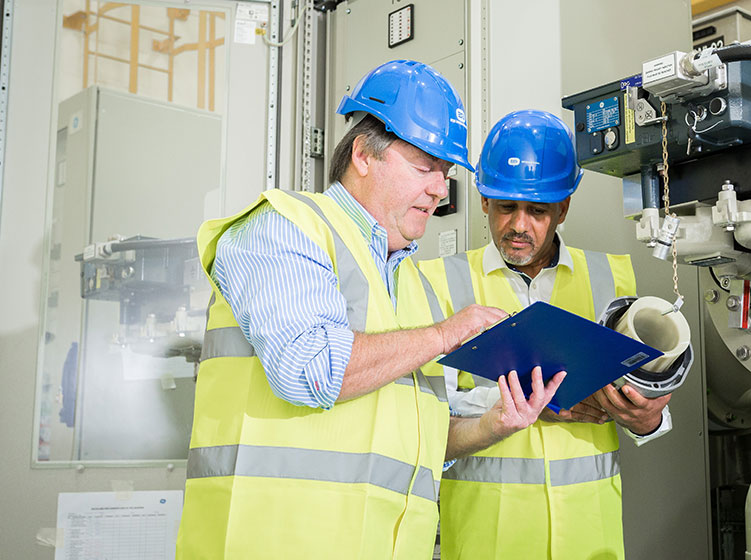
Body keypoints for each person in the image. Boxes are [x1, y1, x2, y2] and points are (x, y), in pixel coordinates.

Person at [175, 61, 563, 559]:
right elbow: (310, 370)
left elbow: (418, 442)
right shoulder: (283, 228)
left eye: (444, 174)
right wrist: (445, 335)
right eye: (425, 168)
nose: (441, 190)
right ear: (363, 154)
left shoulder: (414, 286)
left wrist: (495, 425)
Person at [419, 110, 674, 560]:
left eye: (537, 211)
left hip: (589, 541)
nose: (518, 225)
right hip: (488, 542)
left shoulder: (611, 280)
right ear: (483, 200)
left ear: (563, 208)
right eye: (505, 207)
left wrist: (647, 418)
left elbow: (644, 407)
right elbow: (422, 421)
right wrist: (532, 405)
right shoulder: (440, 282)